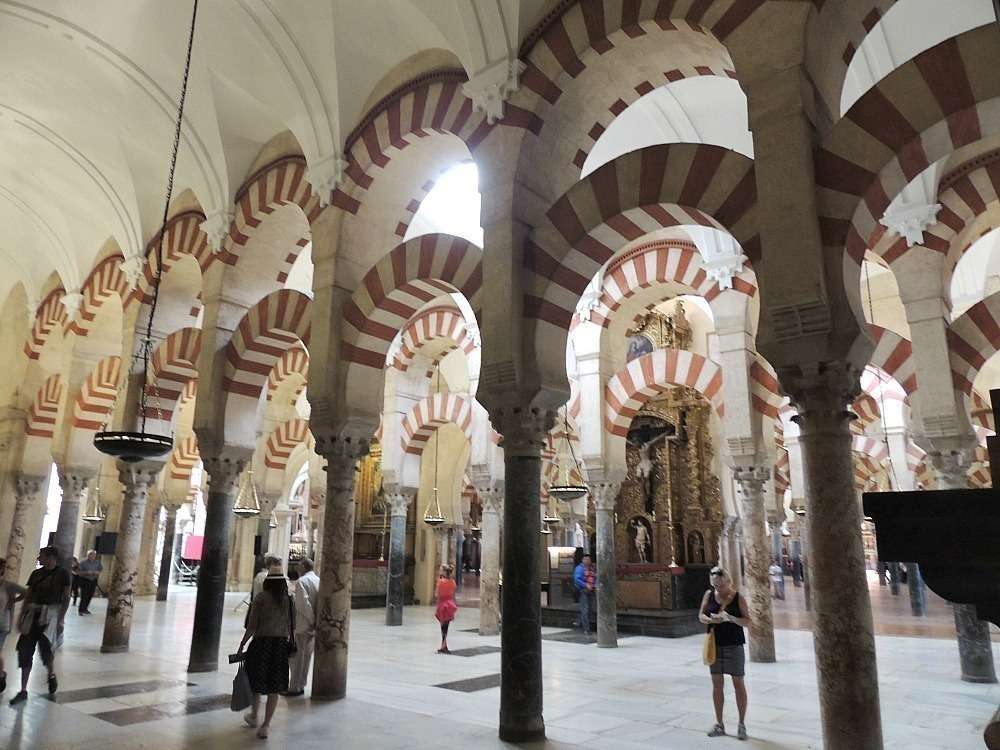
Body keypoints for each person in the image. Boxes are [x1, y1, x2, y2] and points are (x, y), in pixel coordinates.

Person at [10, 546, 72, 705]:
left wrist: (60, 619)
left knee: (46, 650)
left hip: (49, 617)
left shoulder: (63, 574)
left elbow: (66, 598)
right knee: (25, 650)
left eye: (42, 556)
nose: (39, 558)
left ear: (51, 557)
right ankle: (23, 690)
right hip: (33, 615)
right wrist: (20, 617)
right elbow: (29, 595)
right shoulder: (36, 574)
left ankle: (51, 673)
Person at [237, 571, 293, 739]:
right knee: (274, 687)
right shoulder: (289, 601)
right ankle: (266, 725)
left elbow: (252, 625)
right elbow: (292, 626)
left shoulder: (261, 598)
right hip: (280, 646)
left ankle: (254, 716)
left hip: (261, 644)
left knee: (256, 681)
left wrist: (242, 644)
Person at [699, 566, 752, 741]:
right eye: (715, 586)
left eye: (721, 585)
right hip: (715, 644)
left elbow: (748, 621)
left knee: (738, 683)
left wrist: (731, 618)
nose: (718, 589)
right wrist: (709, 619)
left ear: (728, 581)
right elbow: (701, 615)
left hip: (734, 645)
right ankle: (719, 723)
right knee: (717, 685)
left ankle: (742, 724)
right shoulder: (708, 595)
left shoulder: (738, 597)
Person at [286, 558, 318, 696]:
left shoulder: (302, 582)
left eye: (299, 566)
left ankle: (294, 687)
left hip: (302, 625)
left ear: (304, 567)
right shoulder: (318, 580)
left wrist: (311, 620)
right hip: (312, 627)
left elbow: (303, 604)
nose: (297, 569)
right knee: (306, 657)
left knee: (296, 658)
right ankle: (301, 684)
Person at [0, 558, 27, 694]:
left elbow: (27, 592)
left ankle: (1, 676)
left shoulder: (8, 586)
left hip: (2, 624)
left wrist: (14, 600)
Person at [435, 565, 458, 653]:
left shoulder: (440, 582)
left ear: (444, 571)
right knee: (446, 626)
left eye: (441, 570)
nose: (439, 571)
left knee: (443, 626)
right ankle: (444, 645)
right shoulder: (452, 582)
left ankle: (443, 645)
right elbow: (453, 594)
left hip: (442, 604)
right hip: (450, 604)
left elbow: (437, 594)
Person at [573, 553, 595, 636]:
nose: (588, 561)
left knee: (588, 609)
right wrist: (586, 585)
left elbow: (594, 578)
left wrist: (594, 585)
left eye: (589, 560)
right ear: (583, 560)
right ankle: (586, 629)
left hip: (591, 591)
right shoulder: (579, 569)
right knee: (585, 609)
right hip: (583, 591)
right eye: (586, 559)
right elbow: (577, 579)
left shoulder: (591, 568)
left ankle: (579, 621)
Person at [77, 550, 102, 615]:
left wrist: (97, 572)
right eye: (91, 555)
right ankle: (80, 610)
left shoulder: (97, 562)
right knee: (84, 595)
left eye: (94, 555)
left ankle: (85, 609)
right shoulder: (83, 562)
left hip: (93, 580)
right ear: (88, 555)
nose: (93, 556)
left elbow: (100, 569)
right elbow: (79, 572)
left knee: (90, 595)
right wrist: (87, 572)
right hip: (85, 580)